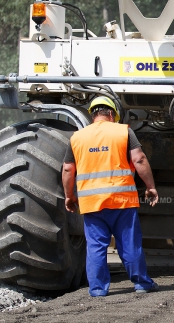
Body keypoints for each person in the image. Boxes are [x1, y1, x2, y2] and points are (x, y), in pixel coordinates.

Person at [62, 96, 160, 297]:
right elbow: (139, 159)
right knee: (129, 243)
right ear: (111, 114)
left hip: (92, 204)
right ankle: (141, 283)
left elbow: (67, 169)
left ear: (93, 115)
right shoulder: (124, 132)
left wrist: (69, 196)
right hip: (121, 201)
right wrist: (150, 187)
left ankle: (97, 289)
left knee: (96, 247)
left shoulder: (77, 137)